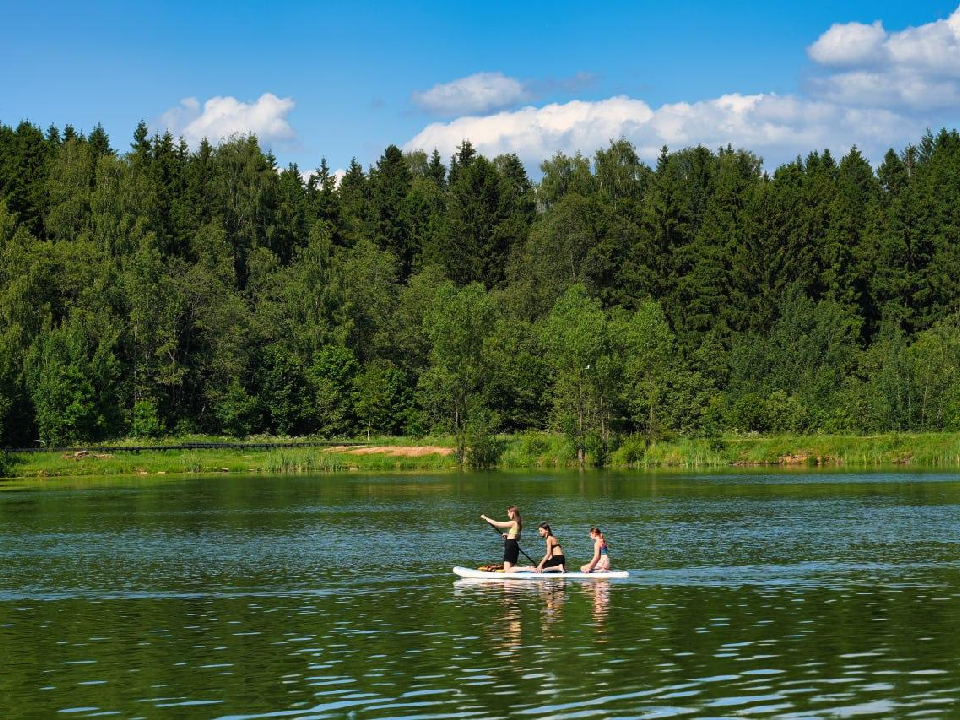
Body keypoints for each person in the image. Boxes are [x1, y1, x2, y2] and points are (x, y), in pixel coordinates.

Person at [481, 506, 522, 572]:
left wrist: (486, 518)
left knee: (507, 570)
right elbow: (518, 538)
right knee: (511, 568)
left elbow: (497, 524)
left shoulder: (513, 523)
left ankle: (528, 568)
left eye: (508, 512)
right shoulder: (519, 524)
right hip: (515, 545)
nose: (507, 514)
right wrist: (508, 535)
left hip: (510, 546)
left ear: (513, 513)